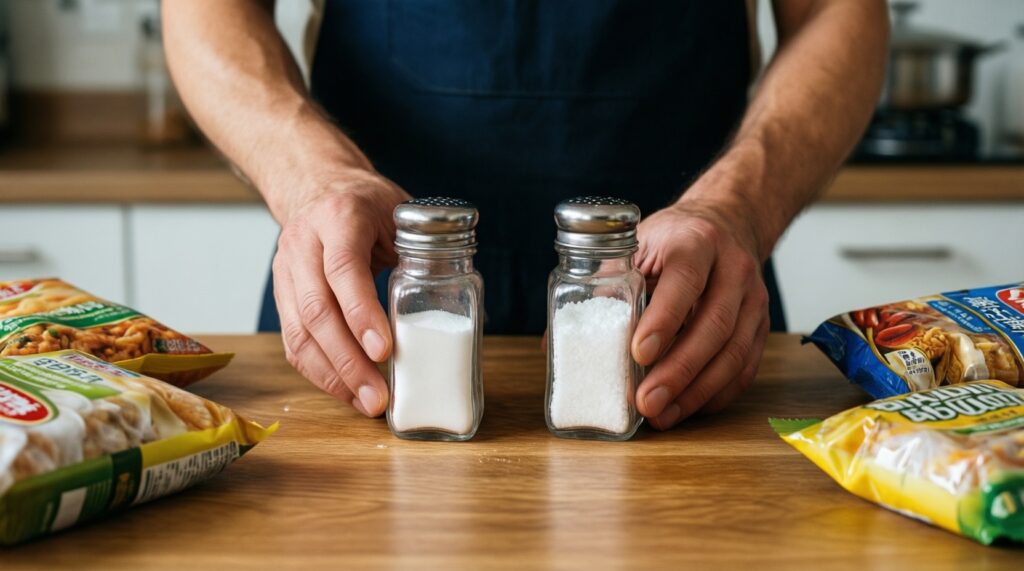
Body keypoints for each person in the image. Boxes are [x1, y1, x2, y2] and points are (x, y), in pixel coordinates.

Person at [163, 0, 888, 429]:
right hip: (371, 278)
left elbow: (839, 11)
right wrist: (312, 178)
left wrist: (739, 207)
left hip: (683, 286)